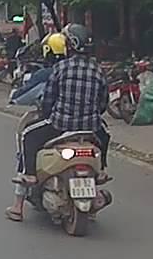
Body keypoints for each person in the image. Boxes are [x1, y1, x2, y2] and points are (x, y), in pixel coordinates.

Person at [7, 23, 111, 222]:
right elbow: (103, 102)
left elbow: (49, 99)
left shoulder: (60, 68)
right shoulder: (98, 71)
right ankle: (102, 170)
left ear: (69, 45)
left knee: (28, 135)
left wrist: (48, 113)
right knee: (105, 136)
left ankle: (29, 175)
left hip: (60, 126)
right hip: (90, 129)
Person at [10, 32, 67, 106]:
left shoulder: (46, 74)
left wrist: (14, 93)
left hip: (55, 112)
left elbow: (20, 97)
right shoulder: (76, 69)